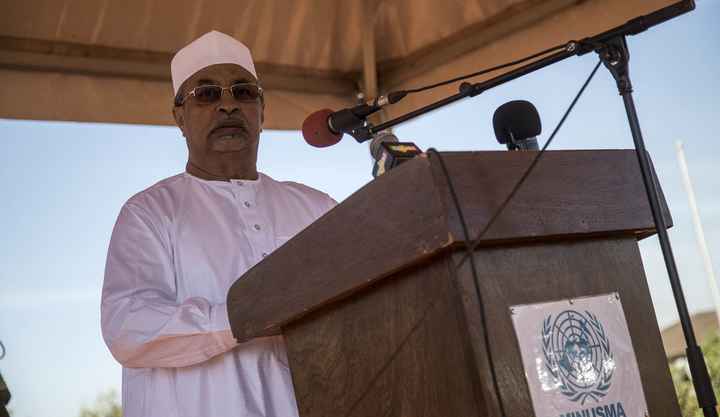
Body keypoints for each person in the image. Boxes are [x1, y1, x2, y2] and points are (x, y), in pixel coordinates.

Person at [101, 31, 336, 417]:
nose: (228, 105)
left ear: (262, 111)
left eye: (243, 92)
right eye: (206, 94)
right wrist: (246, 315)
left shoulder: (317, 208)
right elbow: (127, 326)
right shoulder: (150, 213)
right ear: (179, 116)